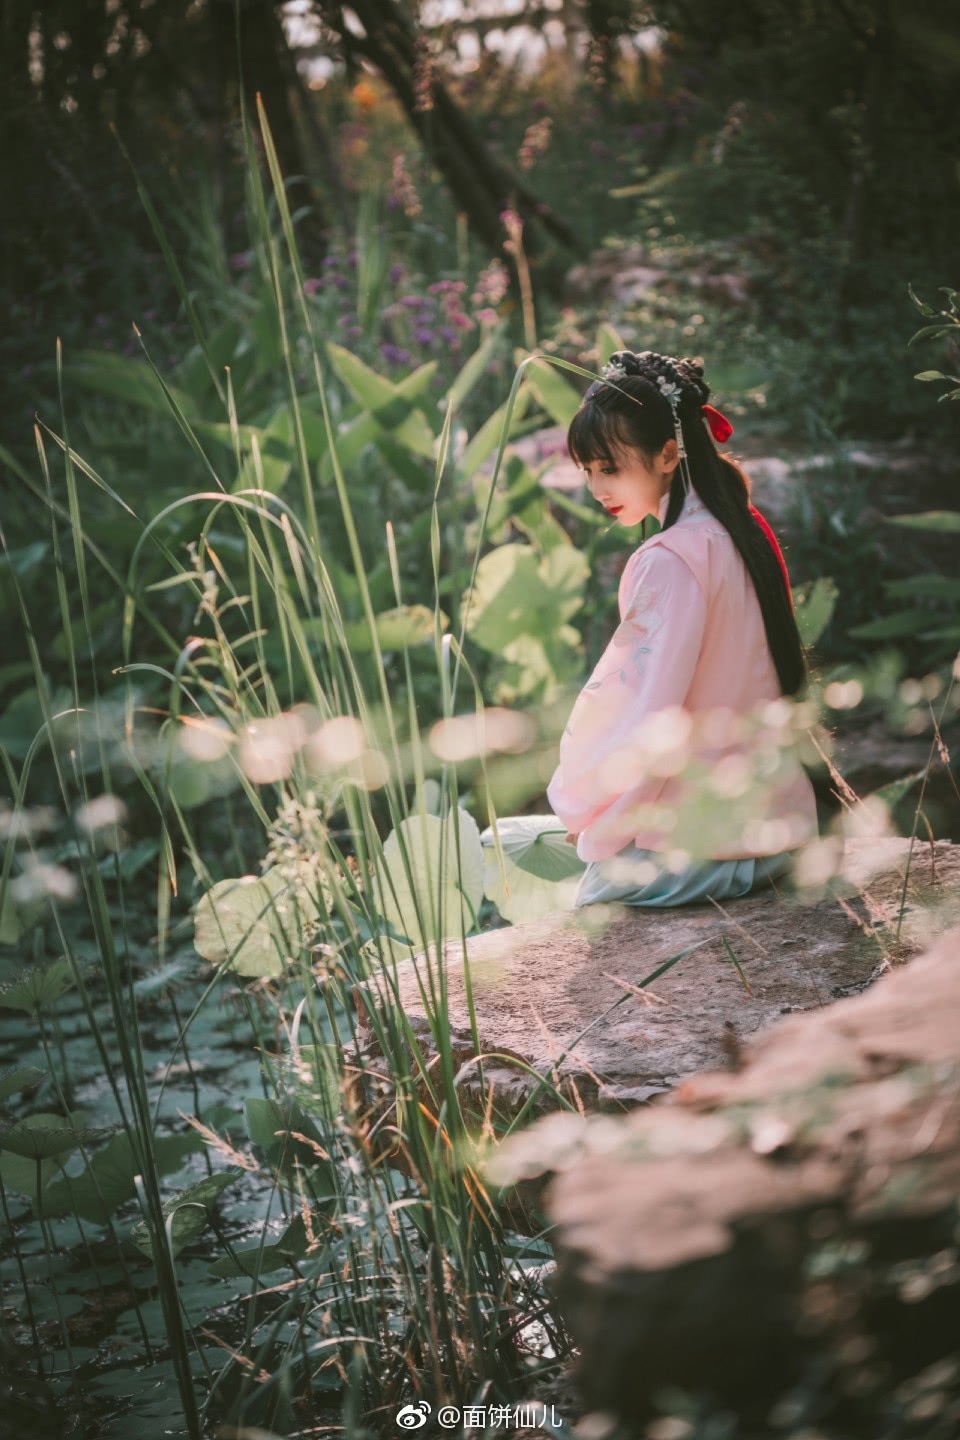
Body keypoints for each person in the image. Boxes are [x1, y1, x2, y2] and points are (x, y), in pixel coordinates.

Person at [531, 348, 818, 910]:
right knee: (529, 842)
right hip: (775, 829)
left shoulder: (670, 558)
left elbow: (643, 715)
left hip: (712, 847)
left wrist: (595, 817)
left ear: (668, 454)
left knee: (549, 873)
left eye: (609, 468)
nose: (597, 490)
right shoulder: (736, 528)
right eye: (587, 471)